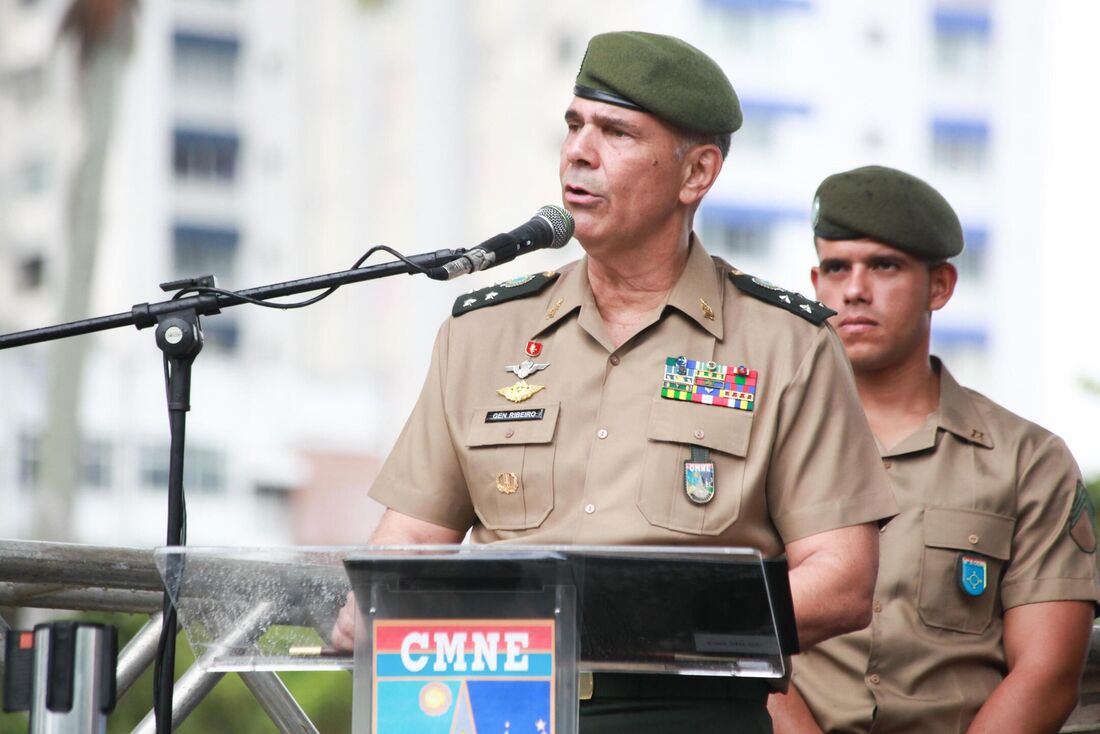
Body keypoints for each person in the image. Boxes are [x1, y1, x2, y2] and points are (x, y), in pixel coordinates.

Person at [333, 32, 897, 732]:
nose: (579, 151)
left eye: (616, 132)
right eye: (574, 125)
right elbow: (411, 538)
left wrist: (647, 621)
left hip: (681, 707)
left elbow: (841, 580)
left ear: (697, 174)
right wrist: (376, 602)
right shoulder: (482, 334)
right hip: (492, 701)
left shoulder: (787, 345)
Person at [768, 165, 1100, 733]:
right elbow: (737, 648)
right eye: (836, 267)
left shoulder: (1027, 461)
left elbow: (1046, 671)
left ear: (940, 286)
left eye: (884, 266)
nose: (854, 289)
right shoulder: (766, 445)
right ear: (815, 283)